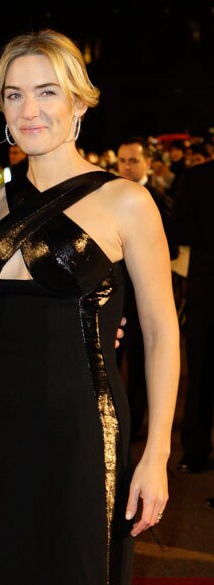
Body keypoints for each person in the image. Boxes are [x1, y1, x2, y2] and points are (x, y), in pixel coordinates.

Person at [0, 28, 180, 585]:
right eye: (14, 94)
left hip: (84, 427)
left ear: (79, 101)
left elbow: (161, 333)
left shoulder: (126, 201)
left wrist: (155, 456)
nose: (30, 110)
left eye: (48, 92)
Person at [115, 136, 178, 441]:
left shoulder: (158, 200)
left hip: (143, 301)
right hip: (112, 299)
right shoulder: (108, 197)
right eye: (122, 160)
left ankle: (134, 427)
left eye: (133, 160)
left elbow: (173, 249)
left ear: (147, 164)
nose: (127, 166)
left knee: (141, 368)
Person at [171, 159, 214, 474]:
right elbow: (178, 227)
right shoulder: (196, 177)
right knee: (200, 372)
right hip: (206, 291)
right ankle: (195, 450)